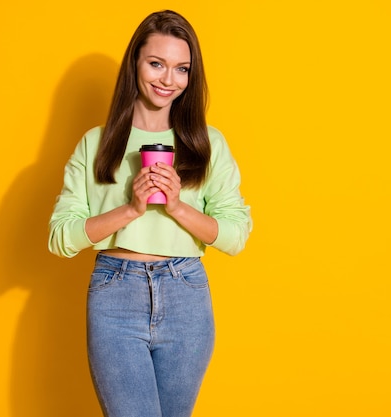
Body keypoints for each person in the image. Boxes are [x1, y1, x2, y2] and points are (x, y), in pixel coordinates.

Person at [48, 9, 252, 417]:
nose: (167, 79)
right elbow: (60, 238)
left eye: (181, 69)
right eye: (156, 63)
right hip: (115, 294)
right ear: (135, 64)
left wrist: (176, 206)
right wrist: (130, 208)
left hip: (186, 294)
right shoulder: (97, 143)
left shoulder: (208, 144)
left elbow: (235, 235)